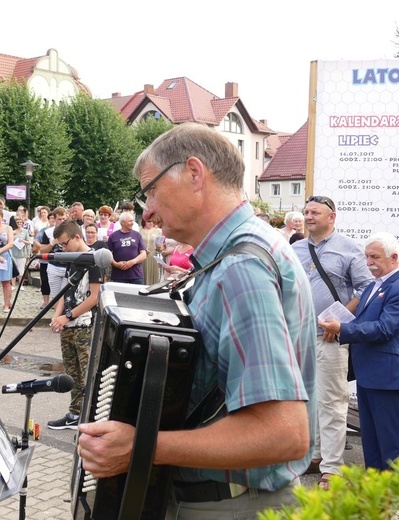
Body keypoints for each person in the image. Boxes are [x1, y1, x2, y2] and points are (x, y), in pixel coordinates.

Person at [77, 123, 317, 519]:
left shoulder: (241, 268)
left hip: (231, 504)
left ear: (194, 173)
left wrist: (141, 446)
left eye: (150, 190)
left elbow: (285, 434)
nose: (148, 211)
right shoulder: (237, 253)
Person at [318, 232, 399, 471]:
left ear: (394, 257)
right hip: (368, 373)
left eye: (374, 257)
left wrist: (342, 329)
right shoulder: (374, 286)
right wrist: (339, 324)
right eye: (366, 257)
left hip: (387, 376)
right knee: (371, 439)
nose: (368, 263)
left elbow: (384, 329)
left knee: (390, 441)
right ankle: (374, 490)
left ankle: (394, 497)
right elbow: (363, 320)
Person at [292, 195, 373, 490]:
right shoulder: (296, 248)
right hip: (301, 336)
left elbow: (365, 289)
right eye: (306, 211)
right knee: (307, 401)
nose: (309, 216)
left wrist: (337, 321)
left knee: (332, 401)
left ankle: (333, 467)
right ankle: (315, 456)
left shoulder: (350, 248)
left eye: (315, 212)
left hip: (330, 336)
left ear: (332, 216)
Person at [47, 219, 103, 430]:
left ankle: (89, 416)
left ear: (77, 237)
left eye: (64, 243)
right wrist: (57, 315)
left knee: (87, 373)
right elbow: (65, 290)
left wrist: (67, 317)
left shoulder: (95, 259)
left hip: (85, 325)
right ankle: (74, 413)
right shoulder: (74, 259)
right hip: (69, 324)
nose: (63, 248)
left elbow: (94, 298)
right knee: (72, 373)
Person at [106, 211, 147, 284]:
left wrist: (132, 262)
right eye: (130, 221)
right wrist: (115, 264)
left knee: (136, 295)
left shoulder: (137, 235)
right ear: (123, 223)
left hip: (136, 275)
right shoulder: (113, 236)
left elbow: (143, 255)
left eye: (133, 221)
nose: (132, 223)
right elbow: (108, 254)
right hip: (118, 275)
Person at [139, 217, 163, 285]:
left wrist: (159, 247)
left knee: (153, 275)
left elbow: (160, 249)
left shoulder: (158, 231)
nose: (151, 223)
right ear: (144, 221)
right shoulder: (139, 230)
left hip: (153, 256)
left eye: (153, 221)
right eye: (149, 221)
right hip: (142, 256)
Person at [11, 214, 32, 291]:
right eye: (18, 222)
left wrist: (22, 241)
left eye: (20, 222)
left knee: (21, 270)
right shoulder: (12, 231)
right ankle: (13, 285)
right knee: (13, 269)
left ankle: (20, 285)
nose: (19, 224)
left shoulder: (25, 231)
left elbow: (29, 242)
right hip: (13, 252)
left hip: (21, 253)